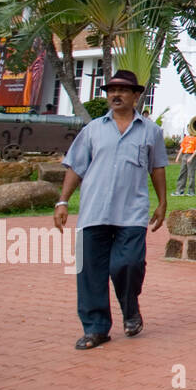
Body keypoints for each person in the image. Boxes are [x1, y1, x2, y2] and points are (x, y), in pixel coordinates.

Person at [54, 70, 168, 350]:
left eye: (123, 90)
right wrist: (63, 201)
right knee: (90, 272)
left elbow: (157, 168)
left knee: (127, 265)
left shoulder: (151, 131)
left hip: (132, 212)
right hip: (94, 211)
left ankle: (130, 309)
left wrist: (163, 202)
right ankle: (96, 328)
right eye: (111, 90)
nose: (115, 95)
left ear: (136, 95)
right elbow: (75, 166)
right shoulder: (92, 129)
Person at [174, 128, 196, 196]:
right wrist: (178, 157)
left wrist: (191, 157)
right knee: (182, 173)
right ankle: (180, 190)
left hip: (191, 155)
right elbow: (182, 148)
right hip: (184, 156)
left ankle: (191, 191)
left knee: (191, 174)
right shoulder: (186, 138)